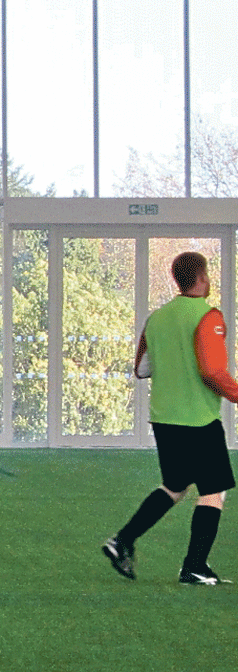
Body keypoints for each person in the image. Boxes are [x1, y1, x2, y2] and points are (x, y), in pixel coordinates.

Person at [103, 250, 238, 585]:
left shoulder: (157, 319)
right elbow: (212, 371)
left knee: (175, 485)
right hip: (198, 421)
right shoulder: (209, 317)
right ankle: (194, 566)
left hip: (164, 419)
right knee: (214, 491)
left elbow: (142, 368)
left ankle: (121, 541)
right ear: (203, 278)